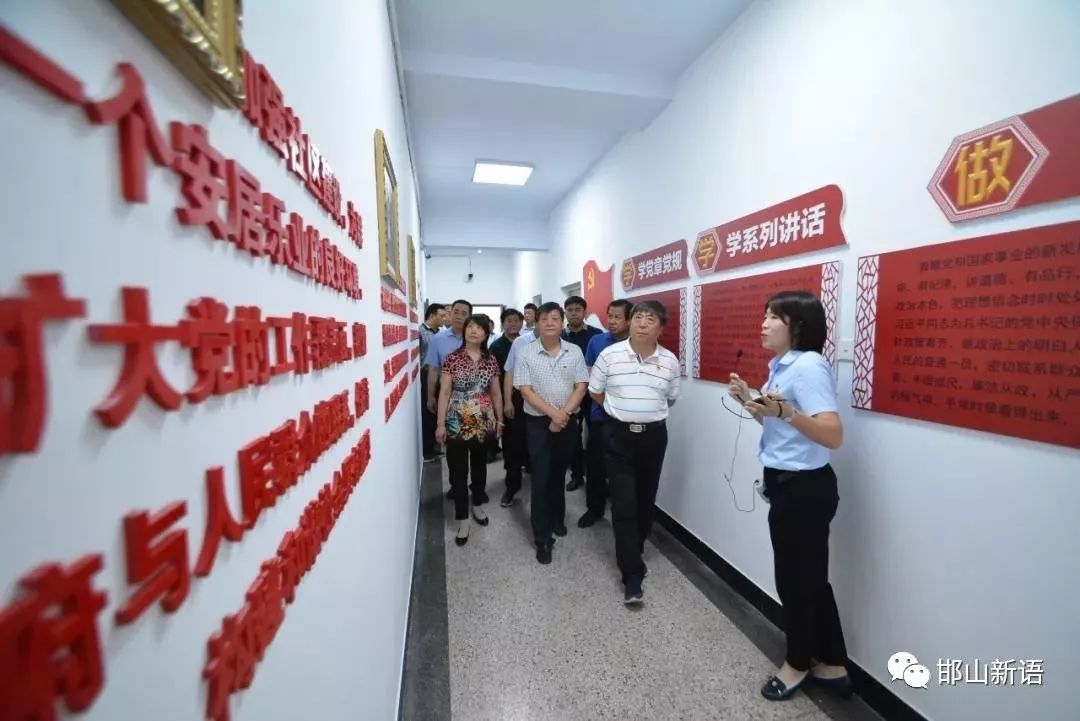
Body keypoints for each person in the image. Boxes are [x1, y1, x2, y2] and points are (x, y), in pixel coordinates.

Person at [727, 291, 849, 702]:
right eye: (763, 315)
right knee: (812, 580)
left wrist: (787, 414)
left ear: (797, 325)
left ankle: (797, 665)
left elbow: (832, 434)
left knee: (795, 583)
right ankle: (832, 663)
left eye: (773, 317)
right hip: (791, 485)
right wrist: (750, 400)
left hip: (804, 490)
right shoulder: (782, 366)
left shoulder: (808, 366)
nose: (763, 323)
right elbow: (778, 418)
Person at [588, 300, 679, 604]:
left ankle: (635, 547)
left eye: (650, 318)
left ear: (661, 328)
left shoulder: (669, 360)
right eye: (638, 317)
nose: (642, 322)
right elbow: (595, 391)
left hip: (654, 437)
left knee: (646, 499)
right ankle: (632, 574)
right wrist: (619, 412)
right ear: (630, 322)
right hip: (618, 436)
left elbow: (671, 398)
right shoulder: (609, 355)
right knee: (624, 503)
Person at [513, 302, 588, 564]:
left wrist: (564, 415)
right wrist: (553, 415)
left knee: (558, 472)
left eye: (555, 318)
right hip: (538, 424)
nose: (549, 322)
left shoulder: (575, 351)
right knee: (541, 477)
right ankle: (542, 537)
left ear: (562, 322)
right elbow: (525, 389)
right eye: (544, 318)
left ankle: (557, 519)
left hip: (567, 422)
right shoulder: (526, 352)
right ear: (537, 323)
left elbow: (581, 386)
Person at [436, 315, 503, 546]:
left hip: (483, 418)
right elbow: (444, 392)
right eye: (470, 327)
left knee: (479, 466)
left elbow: (496, 393)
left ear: (486, 333)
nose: (474, 331)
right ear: (464, 331)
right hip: (456, 417)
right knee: (457, 470)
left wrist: (500, 420)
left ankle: (477, 505)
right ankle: (463, 518)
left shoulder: (491, 360)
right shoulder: (452, 358)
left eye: (479, 328)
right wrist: (440, 424)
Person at [577, 299, 632, 528]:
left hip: (629, 419)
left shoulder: (638, 344)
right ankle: (594, 508)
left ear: (629, 320)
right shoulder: (597, 341)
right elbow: (589, 377)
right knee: (596, 464)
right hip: (600, 415)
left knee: (625, 469)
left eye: (617, 317)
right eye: (609, 316)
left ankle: (625, 513)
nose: (611, 321)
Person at [561, 295, 602, 492]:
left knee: (595, 435)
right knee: (572, 437)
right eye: (570, 310)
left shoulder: (596, 335)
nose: (573, 313)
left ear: (585, 312)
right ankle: (577, 475)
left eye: (578, 309)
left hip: (594, 393)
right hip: (569, 393)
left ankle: (597, 476)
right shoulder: (560, 336)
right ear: (565, 313)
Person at [490, 309, 526, 504]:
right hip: (508, 400)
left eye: (516, 321)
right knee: (511, 444)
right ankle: (511, 485)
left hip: (530, 400)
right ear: (502, 324)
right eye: (508, 321)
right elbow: (495, 380)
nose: (512, 324)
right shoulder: (496, 347)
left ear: (522, 323)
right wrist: (503, 403)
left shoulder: (528, 342)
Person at [419, 303, 445, 461]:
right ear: (432, 315)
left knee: (437, 412)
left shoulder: (440, 333)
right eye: (441, 316)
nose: (444, 319)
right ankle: (427, 449)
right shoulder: (421, 332)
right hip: (426, 375)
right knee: (428, 411)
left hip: (440, 377)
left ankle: (435, 446)